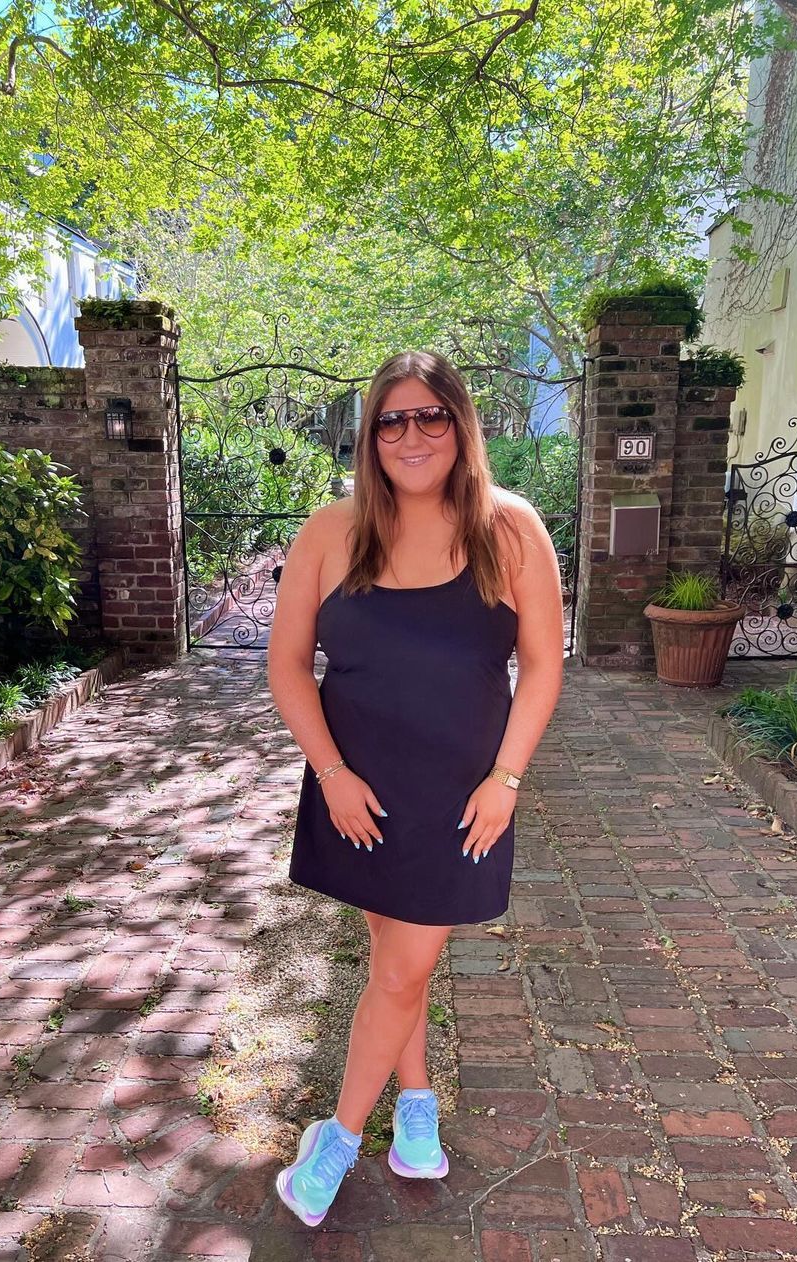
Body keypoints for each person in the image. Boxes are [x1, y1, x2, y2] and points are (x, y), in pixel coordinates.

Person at [266, 349, 564, 1227]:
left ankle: (337, 1138)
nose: (411, 435)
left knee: (405, 967)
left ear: (461, 424)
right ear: (370, 437)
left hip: (463, 796)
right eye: (390, 420)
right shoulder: (331, 531)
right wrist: (331, 774)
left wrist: (507, 778)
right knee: (398, 959)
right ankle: (418, 1107)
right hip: (358, 787)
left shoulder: (511, 528)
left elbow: (543, 666)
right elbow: (288, 667)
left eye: (430, 414)